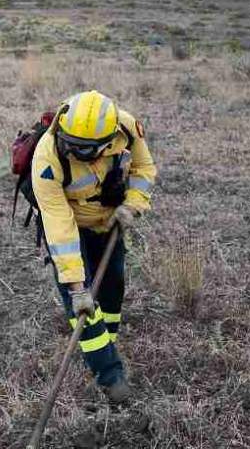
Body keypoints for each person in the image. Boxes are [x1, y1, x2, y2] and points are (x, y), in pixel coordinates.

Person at [31, 91, 156, 403]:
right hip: (69, 228)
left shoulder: (126, 129)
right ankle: (110, 377)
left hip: (108, 221)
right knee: (83, 305)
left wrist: (133, 204)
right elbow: (60, 227)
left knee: (113, 287)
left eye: (83, 149)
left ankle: (107, 340)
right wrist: (75, 286)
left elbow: (144, 169)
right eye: (68, 143)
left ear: (107, 140)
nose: (71, 151)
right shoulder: (47, 157)